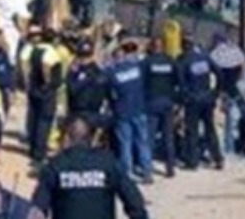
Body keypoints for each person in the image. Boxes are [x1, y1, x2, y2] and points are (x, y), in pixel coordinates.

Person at [32, 114, 148, 219]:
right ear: (91, 139)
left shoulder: (55, 166)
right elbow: (134, 201)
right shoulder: (108, 163)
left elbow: (38, 210)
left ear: (66, 138)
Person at [107, 42, 154, 184]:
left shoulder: (112, 74)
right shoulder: (137, 68)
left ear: (114, 58)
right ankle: (147, 173)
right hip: (139, 110)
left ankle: (127, 174)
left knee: (125, 144)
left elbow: (112, 95)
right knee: (143, 142)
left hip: (123, 112)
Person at [178, 42, 223, 170]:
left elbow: (181, 83)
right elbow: (219, 73)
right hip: (207, 98)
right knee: (210, 129)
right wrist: (216, 92)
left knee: (192, 131)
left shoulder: (184, 61)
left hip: (193, 101)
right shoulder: (205, 57)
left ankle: (192, 162)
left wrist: (185, 98)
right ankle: (218, 158)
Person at [26, 29, 63, 167]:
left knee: (34, 119)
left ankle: (32, 149)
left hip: (34, 88)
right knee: (44, 122)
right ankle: (39, 155)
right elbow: (46, 65)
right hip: (46, 92)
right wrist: (47, 82)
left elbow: (26, 66)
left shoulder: (35, 50)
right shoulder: (51, 52)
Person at [141, 38, 178, 178]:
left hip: (151, 103)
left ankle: (148, 170)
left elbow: (142, 82)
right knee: (168, 137)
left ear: (152, 47)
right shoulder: (170, 61)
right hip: (167, 102)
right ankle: (170, 168)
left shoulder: (147, 62)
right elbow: (177, 80)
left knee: (149, 137)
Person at [65, 38, 112, 139]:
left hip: (79, 114)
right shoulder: (101, 72)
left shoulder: (80, 73)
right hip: (94, 114)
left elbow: (72, 89)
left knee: (75, 146)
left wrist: (71, 74)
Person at [208, 34, 245, 155]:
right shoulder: (238, 57)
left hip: (220, 93)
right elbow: (243, 74)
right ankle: (230, 149)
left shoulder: (216, 58)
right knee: (231, 124)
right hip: (234, 92)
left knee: (219, 124)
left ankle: (221, 149)